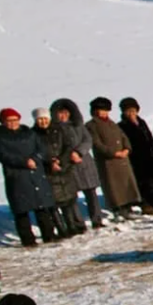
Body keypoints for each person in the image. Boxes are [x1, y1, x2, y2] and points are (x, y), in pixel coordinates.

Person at [0, 108, 58, 245]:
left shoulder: (29, 133)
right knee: (21, 210)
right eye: (9, 120)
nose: (13, 123)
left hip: (35, 172)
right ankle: (28, 240)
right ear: (3, 122)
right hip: (17, 175)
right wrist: (24, 162)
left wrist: (35, 159)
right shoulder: (0, 137)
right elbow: (3, 155)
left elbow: (41, 149)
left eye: (15, 119)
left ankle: (49, 236)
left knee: (41, 207)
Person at [49, 98, 104, 230]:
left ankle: (97, 219)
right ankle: (78, 223)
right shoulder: (54, 130)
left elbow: (87, 140)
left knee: (91, 193)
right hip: (67, 166)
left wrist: (79, 152)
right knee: (72, 195)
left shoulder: (78, 125)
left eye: (66, 113)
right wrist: (66, 156)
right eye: (60, 113)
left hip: (84, 162)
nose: (63, 116)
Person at [85, 97, 141, 221]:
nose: (104, 113)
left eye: (105, 110)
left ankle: (128, 207)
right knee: (113, 187)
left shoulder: (112, 123)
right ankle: (118, 209)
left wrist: (126, 149)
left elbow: (123, 136)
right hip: (108, 162)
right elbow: (97, 144)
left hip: (122, 159)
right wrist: (113, 153)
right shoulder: (91, 125)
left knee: (125, 184)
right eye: (101, 110)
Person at [32, 107, 83, 237]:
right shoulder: (33, 134)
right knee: (53, 203)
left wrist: (61, 160)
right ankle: (61, 228)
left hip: (64, 168)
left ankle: (72, 225)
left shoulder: (59, 130)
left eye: (45, 119)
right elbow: (35, 152)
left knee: (68, 199)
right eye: (40, 119)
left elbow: (68, 146)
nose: (43, 122)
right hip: (47, 172)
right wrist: (50, 162)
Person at [118, 97, 153, 214]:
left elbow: (150, 139)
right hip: (136, 158)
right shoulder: (122, 126)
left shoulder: (141, 122)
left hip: (150, 156)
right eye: (128, 111)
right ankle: (145, 204)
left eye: (133, 110)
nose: (131, 113)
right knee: (142, 183)